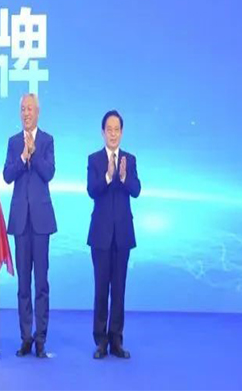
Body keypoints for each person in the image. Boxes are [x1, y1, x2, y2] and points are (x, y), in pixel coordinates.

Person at [3, 93, 57, 358]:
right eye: (22, 109)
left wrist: (34, 155)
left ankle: (41, 339)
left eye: (30, 109)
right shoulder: (14, 142)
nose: (26, 113)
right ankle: (26, 337)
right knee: (23, 284)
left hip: (41, 221)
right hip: (21, 222)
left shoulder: (47, 140)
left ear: (38, 112)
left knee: (41, 283)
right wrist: (23, 157)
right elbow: (7, 175)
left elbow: (49, 173)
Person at [86, 109, 141, 359]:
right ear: (102, 132)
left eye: (117, 129)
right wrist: (108, 176)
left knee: (119, 290)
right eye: (109, 129)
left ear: (122, 132)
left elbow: (136, 190)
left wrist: (124, 176)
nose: (113, 133)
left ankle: (116, 340)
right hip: (100, 235)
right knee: (101, 289)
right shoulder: (95, 160)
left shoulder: (130, 160)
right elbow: (92, 190)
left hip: (123, 237)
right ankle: (101, 341)